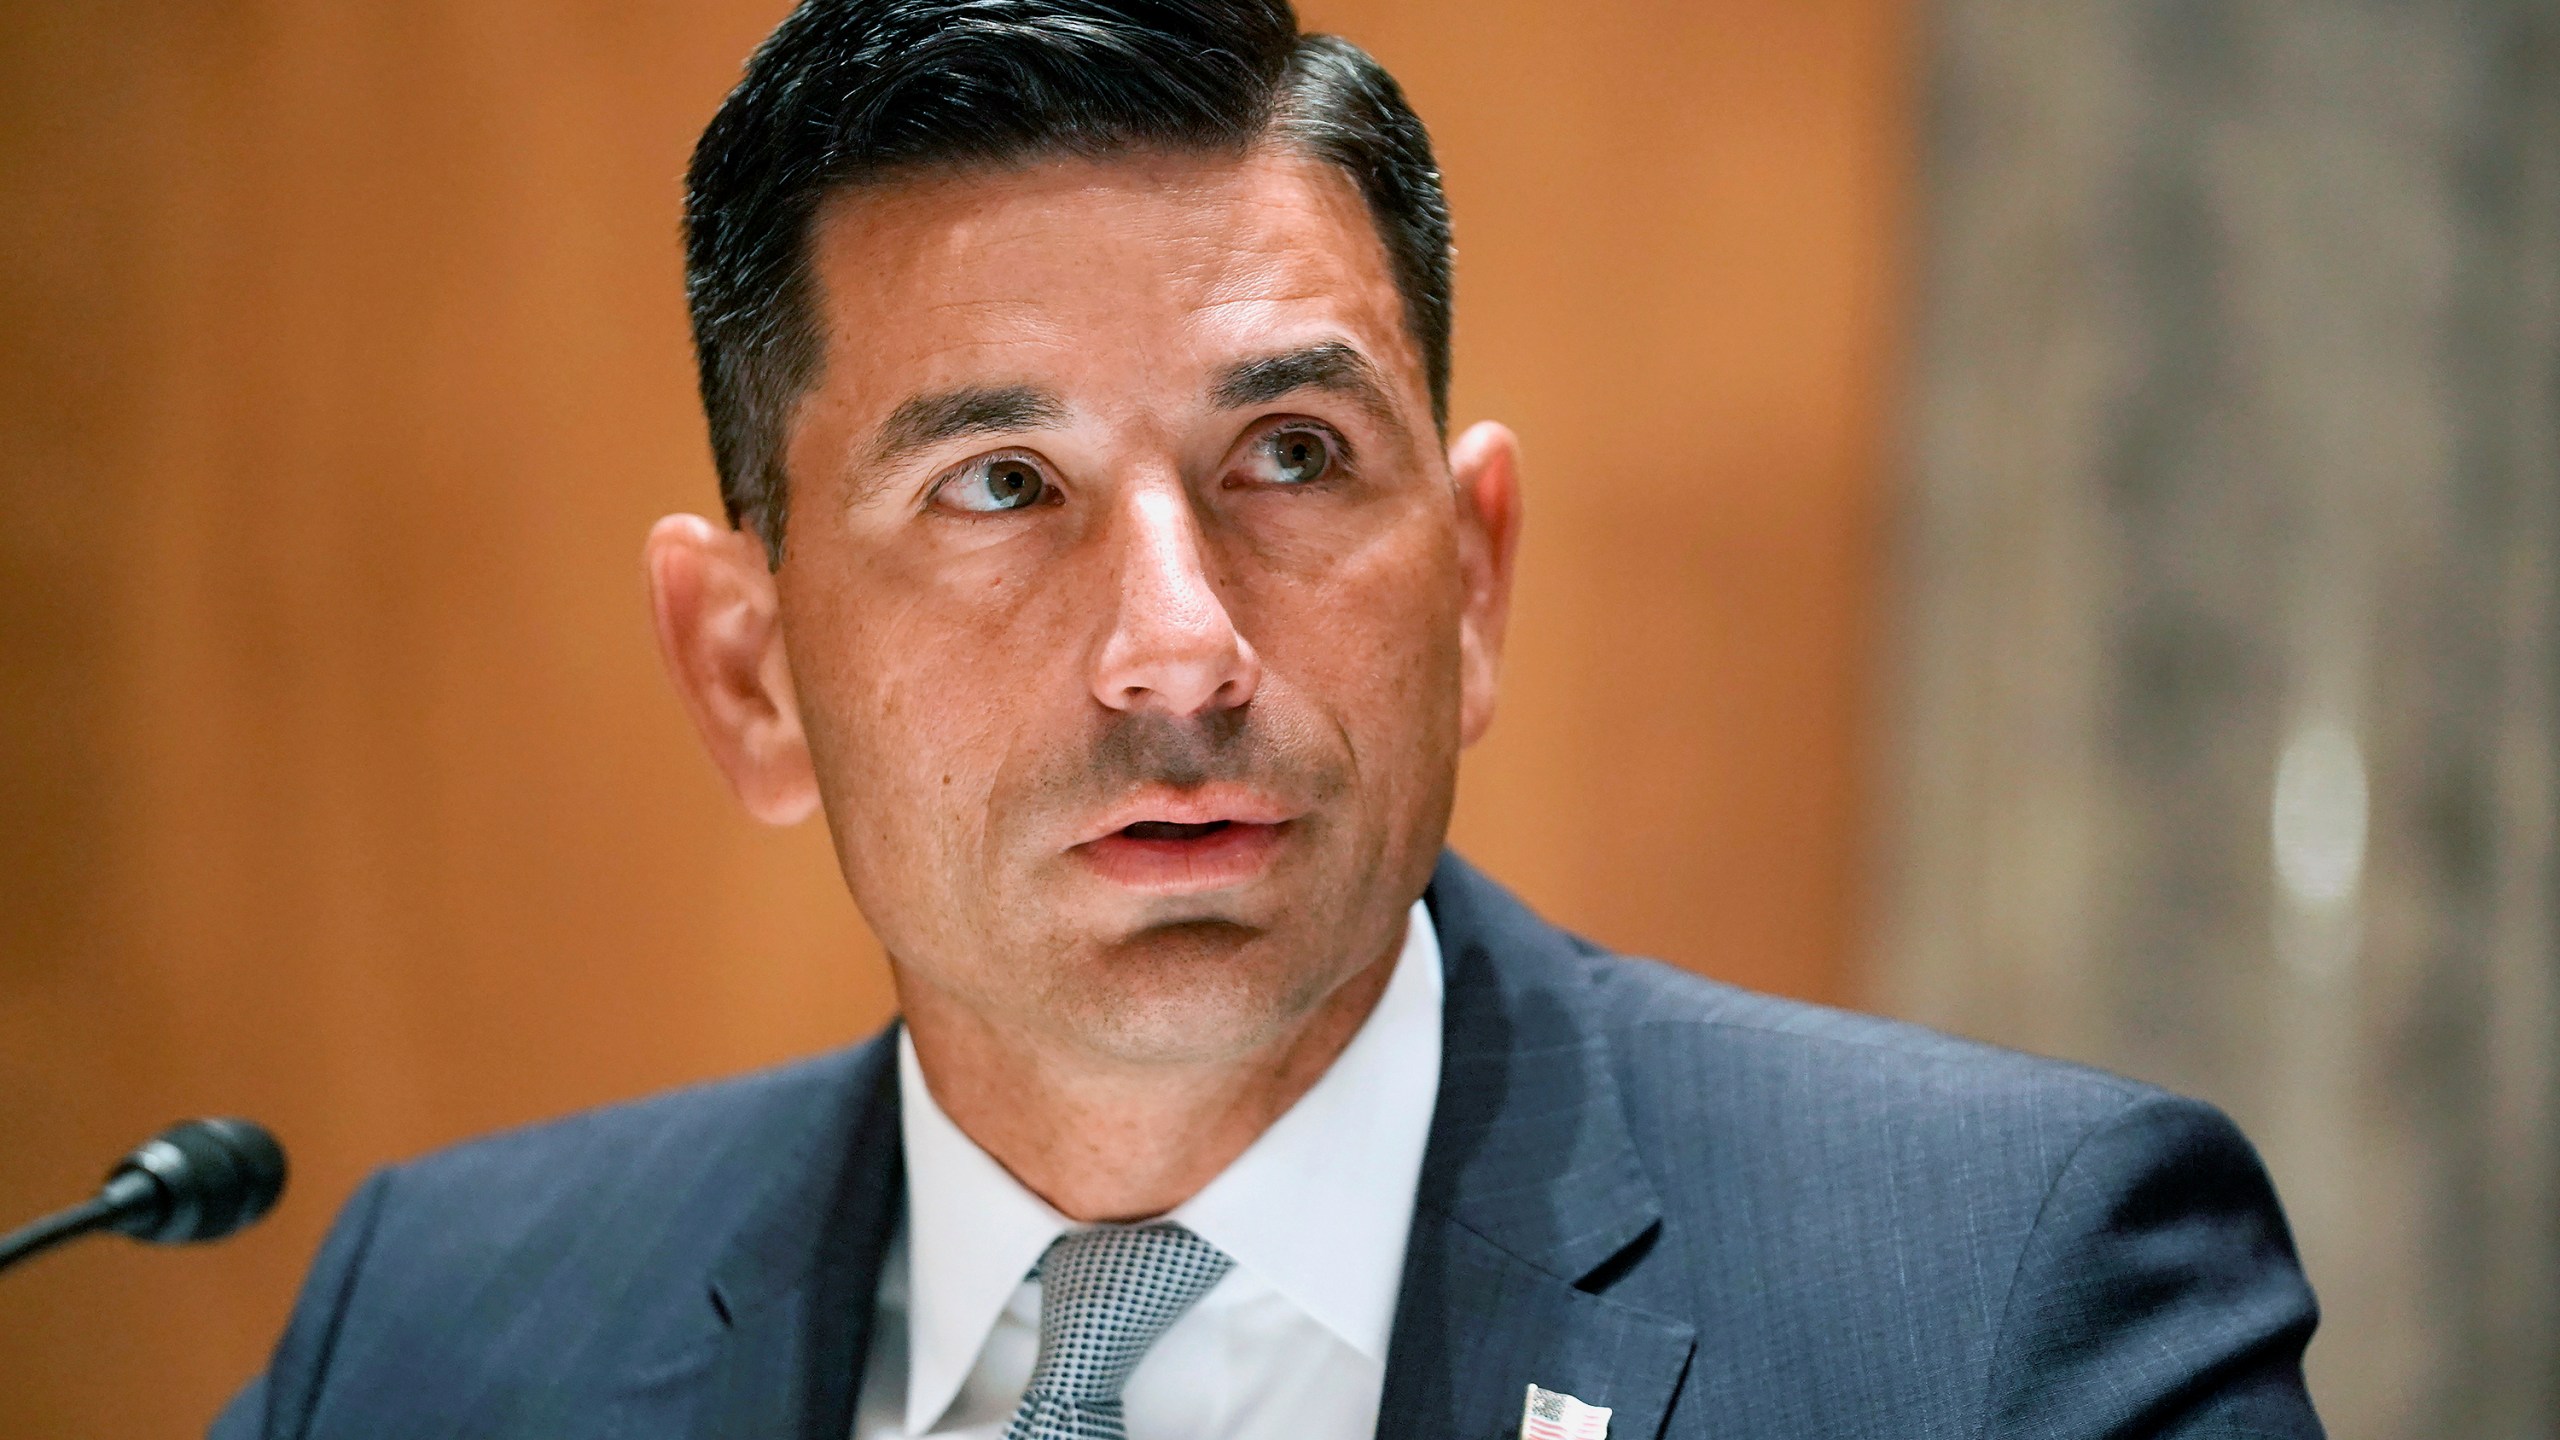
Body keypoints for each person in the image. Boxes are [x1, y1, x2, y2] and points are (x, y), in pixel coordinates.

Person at [210, 2, 2324, 1437]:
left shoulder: (2003, 1305)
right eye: (998, 489)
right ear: (748, 671)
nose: (1177, 650)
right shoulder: (433, 1336)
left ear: (1473, 575)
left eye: (1293, 454)